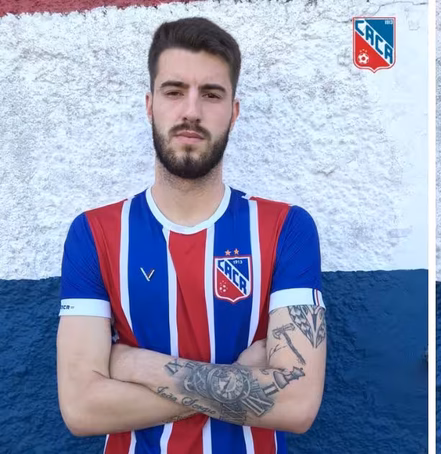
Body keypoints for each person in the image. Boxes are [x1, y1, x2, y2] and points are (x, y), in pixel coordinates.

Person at [56, 17, 326, 453]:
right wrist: (238, 379)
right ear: (150, 105)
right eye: (174, 91)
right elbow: (82, 409)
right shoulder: (94, 233)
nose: (191, 111)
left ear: (234, 112)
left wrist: (137, 365)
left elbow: (296, 404)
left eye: (212, 94)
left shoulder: (285, 228)